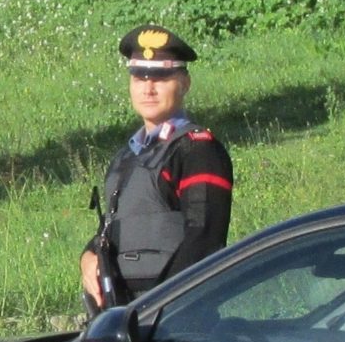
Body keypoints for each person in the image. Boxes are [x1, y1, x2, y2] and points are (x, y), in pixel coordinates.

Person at [81, 25, 233, 312]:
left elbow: (204, 241)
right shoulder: (127, 156)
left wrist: (158, 309)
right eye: (139, 77)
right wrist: (88, 256)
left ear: (184, 83)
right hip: (123, 316)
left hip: (176, 317)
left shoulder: (197, 150)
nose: (148, 88)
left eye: (161, 78)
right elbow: (115, 229)